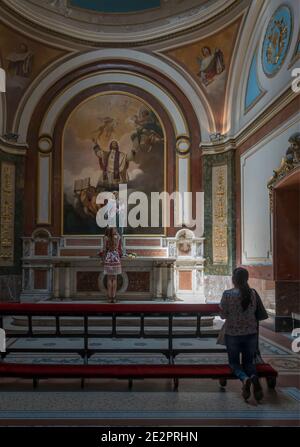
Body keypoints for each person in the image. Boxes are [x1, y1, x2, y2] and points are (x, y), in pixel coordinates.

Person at [219, 267, 267, 402]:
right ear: (247, 279)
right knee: (249, 362)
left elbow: (222, 315)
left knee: (234, 363)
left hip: (232, 333)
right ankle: (254, 378)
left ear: (233, 280)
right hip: (251, 333)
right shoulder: (252, 293)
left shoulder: (227, 294)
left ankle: (245, 379)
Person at [103, 227, 122, 303]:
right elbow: (117, 248)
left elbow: (104, 249)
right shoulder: (117, 238)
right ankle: (114, 297)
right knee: (114, 278)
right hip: (115, 258)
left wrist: (103, 259)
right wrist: (116, 234)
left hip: (108, 257)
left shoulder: (106, 238)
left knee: (109, 278)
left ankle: (109, 297)